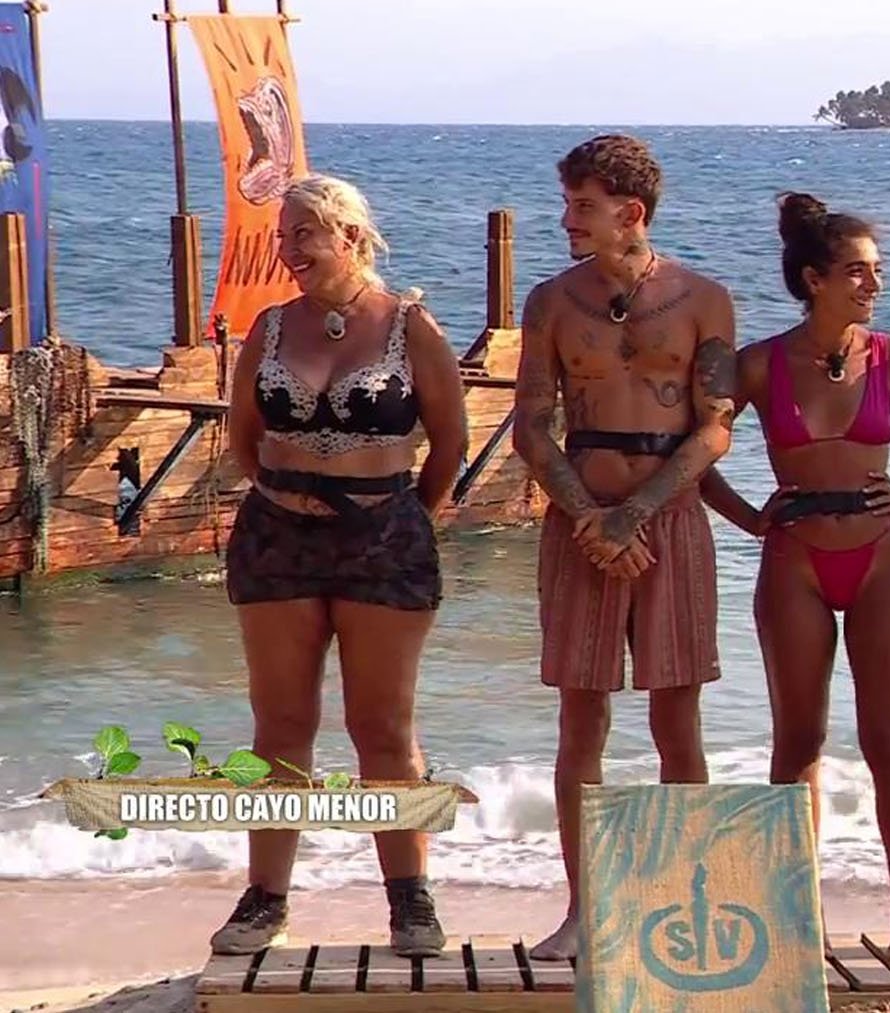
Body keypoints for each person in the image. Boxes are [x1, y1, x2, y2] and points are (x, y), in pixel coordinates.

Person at [699, 192, 890, 961]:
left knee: (889, 739)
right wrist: (748, 516)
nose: (873, 284)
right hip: (795, 561)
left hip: (881, 557)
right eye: (857, 271)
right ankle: (798, 912)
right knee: (799, 739)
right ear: (814, 279)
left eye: (876, 270)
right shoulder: (761, 364)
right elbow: (697, 453)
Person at [214, 173, 469, 957]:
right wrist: (289, 494)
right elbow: (244, 437)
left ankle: (410, 899)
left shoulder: (409, 327)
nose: (288, 250)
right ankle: (265, 898)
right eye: (283, 236)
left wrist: (401, 516)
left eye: (303, 234)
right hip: (277, 538)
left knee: (382, 727)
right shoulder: (270, 327)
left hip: (383, 540)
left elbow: (451, 442)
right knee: (280, 726)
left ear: (350, 237)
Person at [511, 134, 739, 962]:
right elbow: (531, 424)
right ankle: (585, 908)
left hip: (668, 521)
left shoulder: (704, 300)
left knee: (678, 718)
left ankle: (686, 901)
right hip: (581, 521)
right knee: (582, 718)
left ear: (630, 213)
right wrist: (589, 516)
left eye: (583, 207)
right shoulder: (552, 302)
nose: (567, 220)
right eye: (568, 204)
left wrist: (636, 512)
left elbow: (716, 426)